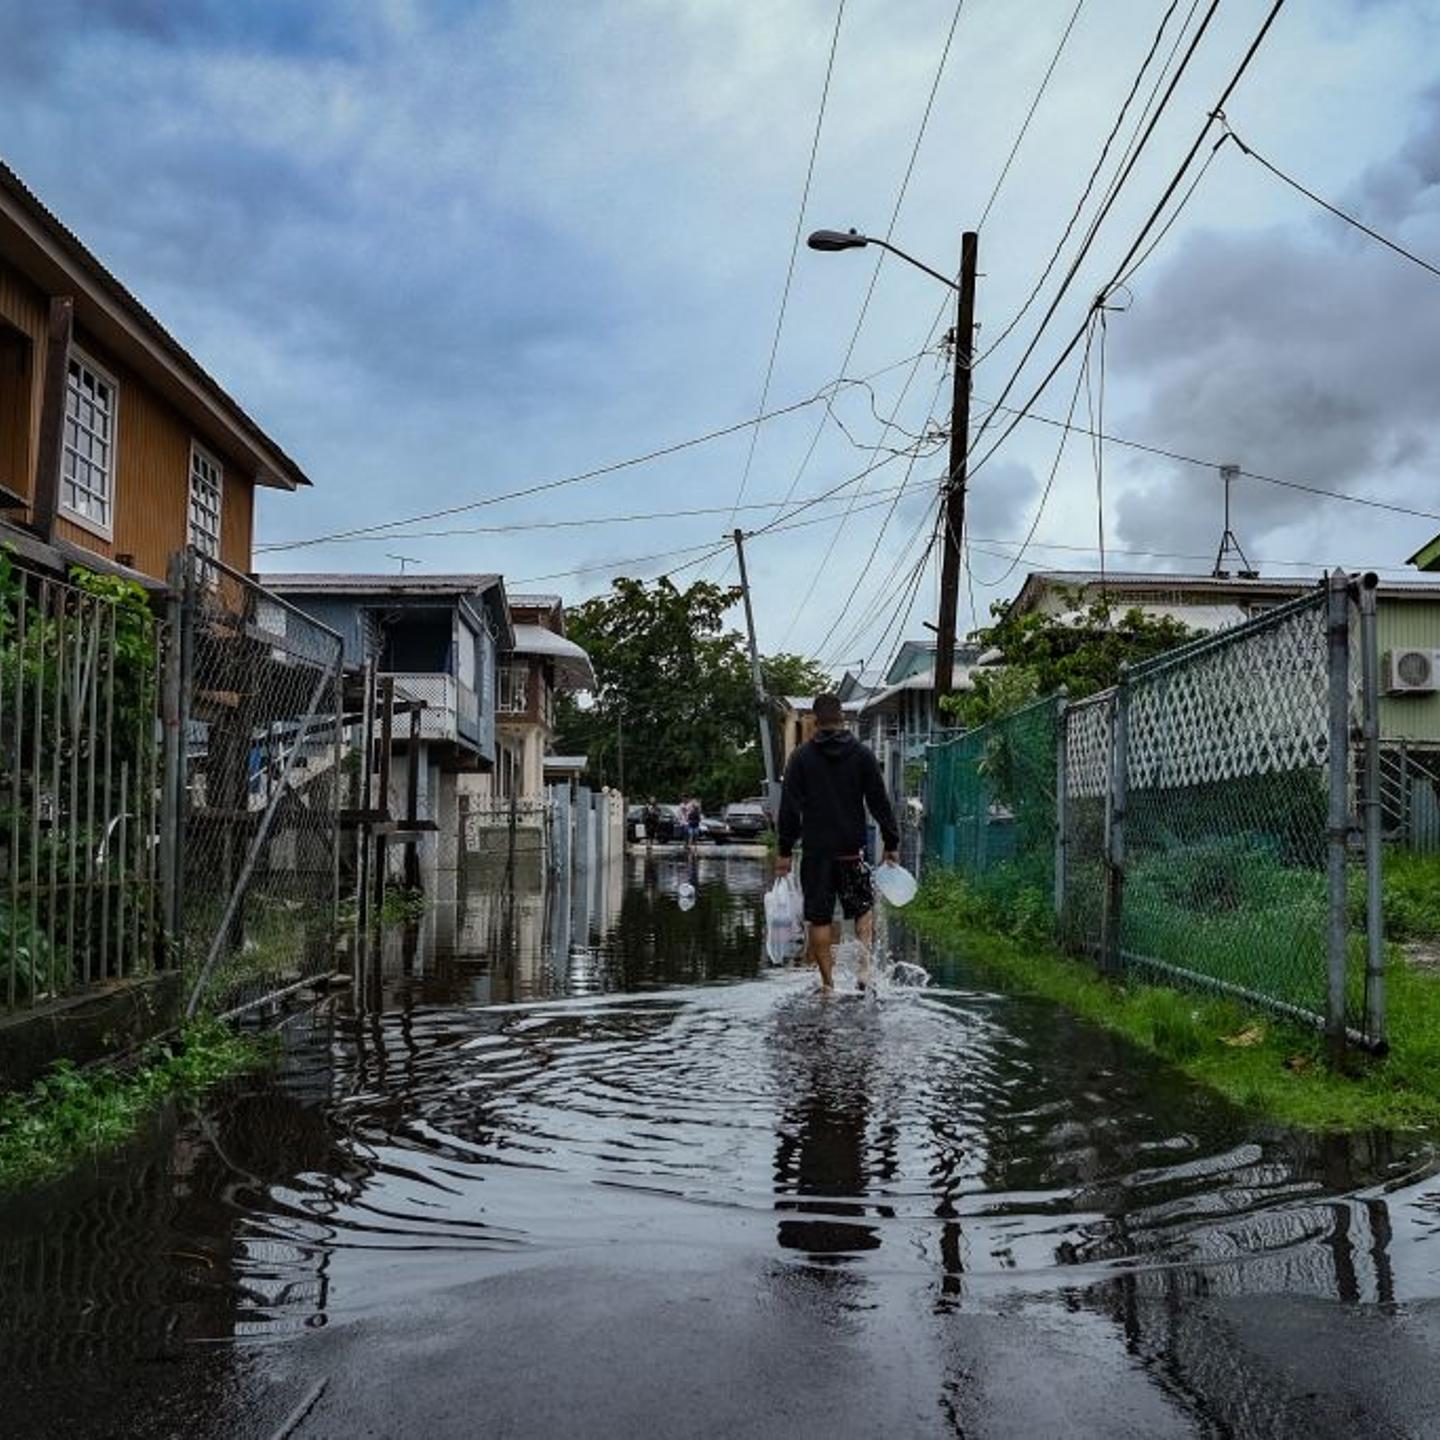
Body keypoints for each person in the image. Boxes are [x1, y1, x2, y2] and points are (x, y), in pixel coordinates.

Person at [775, 694, 900, 991]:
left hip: (816, 852)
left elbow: (789, 809)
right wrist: (891, 841)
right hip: (850, 851)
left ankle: (828, 986)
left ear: (816, 722)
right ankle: (864, 970)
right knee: (862, 908)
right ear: (843, 718)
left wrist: (783, 850)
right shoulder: (862, 755)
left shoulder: (801, 758)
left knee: (819, 919)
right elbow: (879, 802)